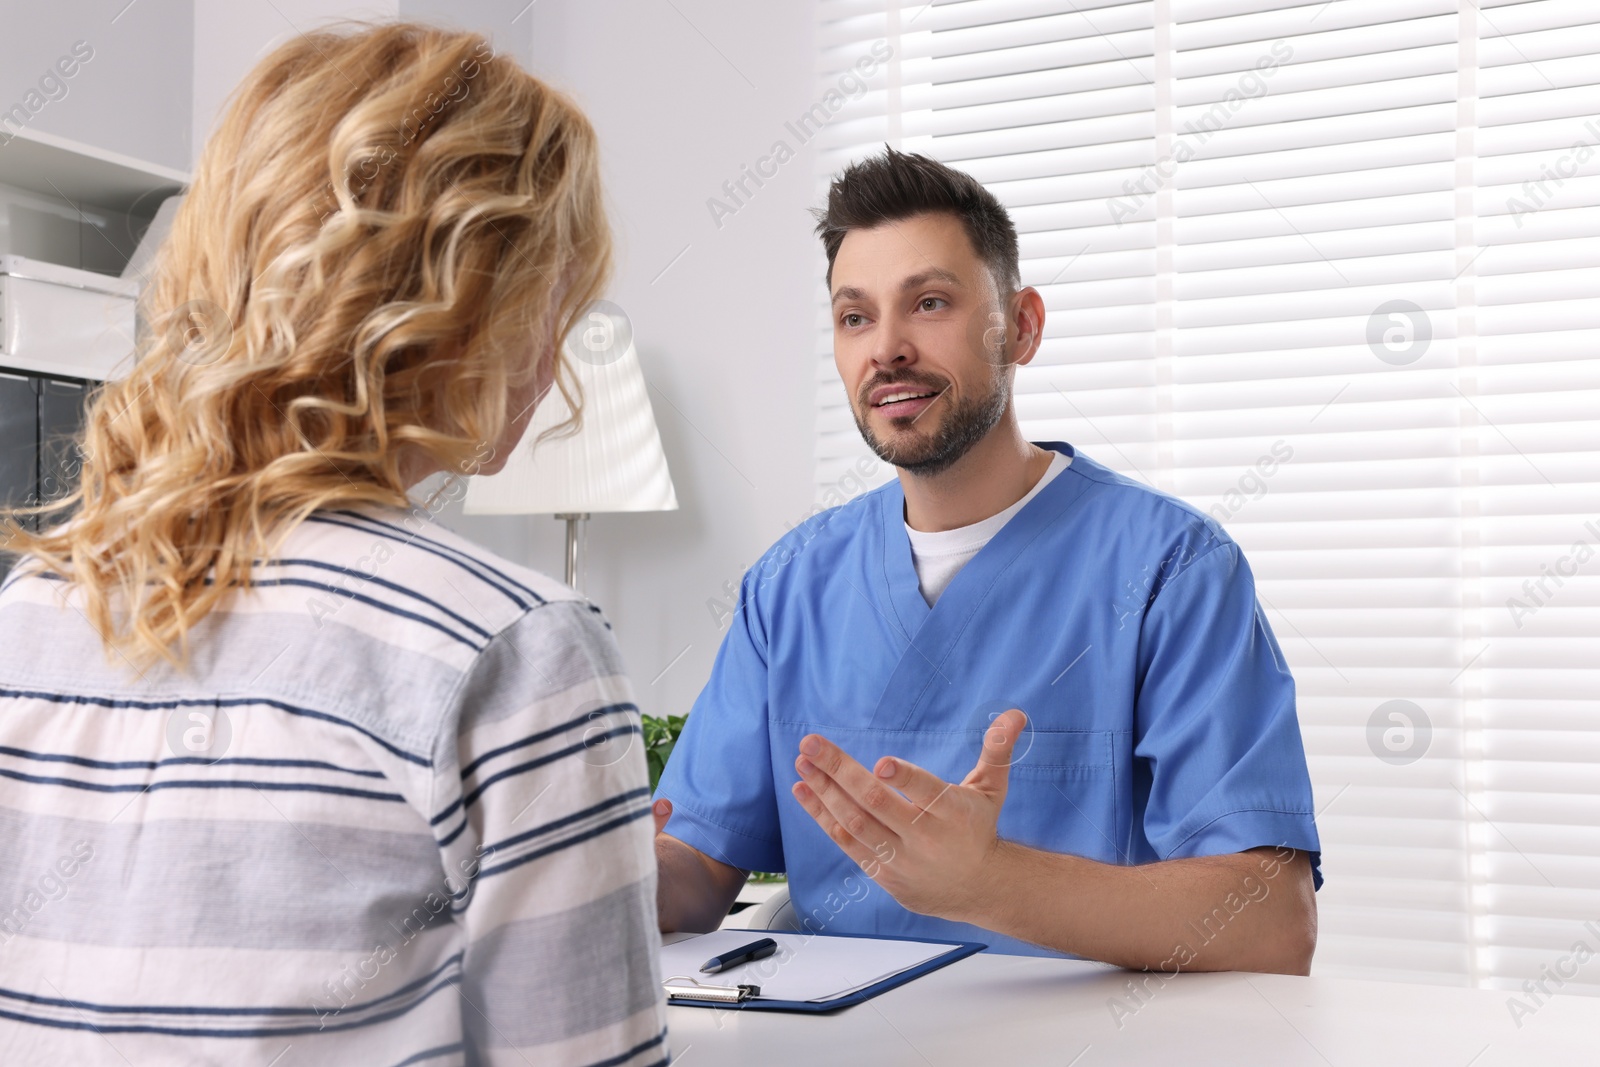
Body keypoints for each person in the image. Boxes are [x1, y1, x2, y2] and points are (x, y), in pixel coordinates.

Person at [0, 24, 667, 1066]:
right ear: (467, 313)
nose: (553, 359)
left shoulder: (32, 613)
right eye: (552, 302)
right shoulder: (518, 649)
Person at [652, 148, 1322, 974]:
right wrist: (597, 868)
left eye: (929, 303)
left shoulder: (1170, 570)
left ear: (1023, 325)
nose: (887, 349)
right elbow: (691, 876)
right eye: (855, 317)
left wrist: (988, 880)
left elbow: (1273, 922)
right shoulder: (789, 587)